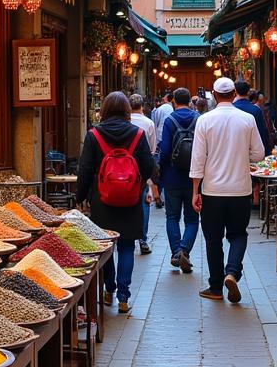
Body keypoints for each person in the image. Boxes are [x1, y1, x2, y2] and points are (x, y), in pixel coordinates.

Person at [76, 92, 158, 313]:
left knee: (106, 247)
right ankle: (124, 296)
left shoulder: (94, 135)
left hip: (102, 200)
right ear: (126, 110)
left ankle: (109, 289)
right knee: (127, 246)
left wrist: (80, 197)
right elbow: (149, 166)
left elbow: (84, 169)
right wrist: (144, 183)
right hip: (131, 199)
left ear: (104, 110)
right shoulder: (138, 134)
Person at [191, 75, 264, 303]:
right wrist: (243, 157)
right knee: (238, 234)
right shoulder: (247, 119)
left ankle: (215, 287)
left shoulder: (204, 120)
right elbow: (259, 154)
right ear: (234, 94)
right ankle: (232, 273)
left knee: (213, 239)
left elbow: (198, 159)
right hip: (240, 190)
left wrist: (196, 191)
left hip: (212, 191)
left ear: (214, 95)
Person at [158, 87, 199, 273]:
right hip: (194, 178)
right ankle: (184, 250)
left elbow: (165, 151)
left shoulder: (169, 121)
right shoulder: (199, 119)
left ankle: (176, 252)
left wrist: (162, 171)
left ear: (174, 101)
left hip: (172, 177)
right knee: (192, 219)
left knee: (172, 217)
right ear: (190, 101)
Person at [128, 93, 158, 255]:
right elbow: (152, 150)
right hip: (141, 169)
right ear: (142, 106)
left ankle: (125, 235)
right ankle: (143, 239)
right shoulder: (148, 123)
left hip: (124, 169)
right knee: (143, 203)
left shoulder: (125, 122)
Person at [233, 78, 272, 155]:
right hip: (252, 152)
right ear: (248, 92)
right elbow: (262, 133)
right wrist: (266, 152)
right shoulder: (256, 110)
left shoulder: (232, 108)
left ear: (235, 92)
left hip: (235, 151)